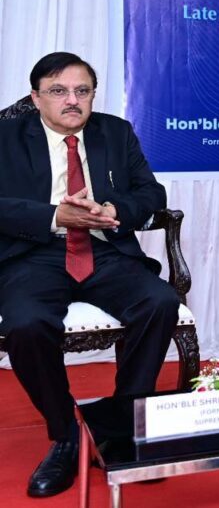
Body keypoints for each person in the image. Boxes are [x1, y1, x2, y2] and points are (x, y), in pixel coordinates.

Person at [0, 52, 180, 498]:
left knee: (160, 301)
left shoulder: (115, 132)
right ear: (36, 97)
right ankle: (65, 434)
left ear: (93, 95)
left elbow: (151, 192)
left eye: (82, 91)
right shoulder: (6, 136)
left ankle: (118, 425)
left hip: (104, 250)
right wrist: (53, 216)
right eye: (58, 91)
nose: (72, 100)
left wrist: (114, 209)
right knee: (26, 324)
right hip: (34, 253)